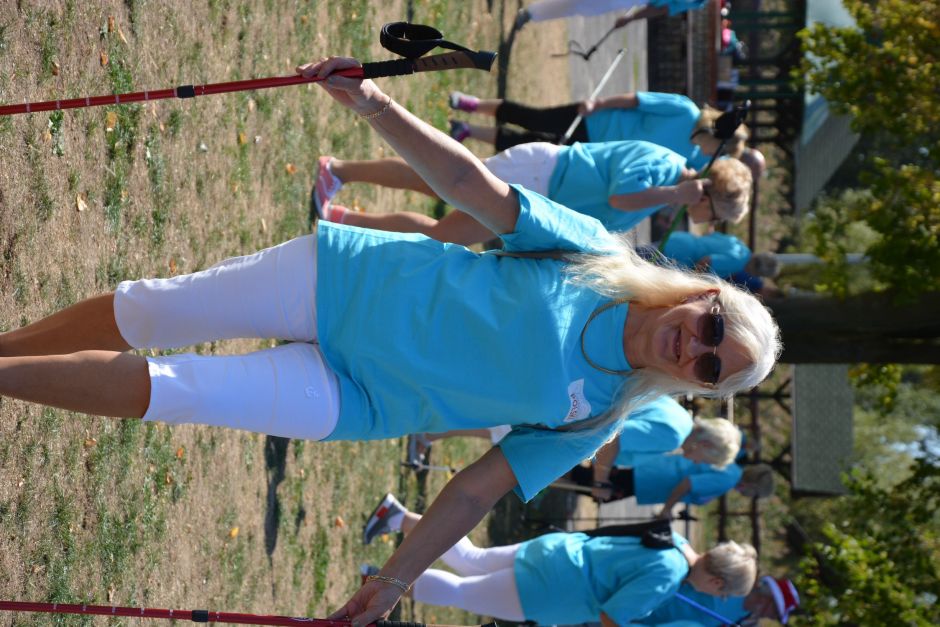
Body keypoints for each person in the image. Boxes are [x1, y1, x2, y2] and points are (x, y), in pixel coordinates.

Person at [0, 56, 780, 625]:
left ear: (701, 388)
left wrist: (400, 577)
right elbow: (474, 188)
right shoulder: (598, 256)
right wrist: (373, 102)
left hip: (358, 400)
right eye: (714, 329)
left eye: (712, 369)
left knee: (179, 391)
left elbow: (474, 489)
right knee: (151, 312)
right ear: (708, 296)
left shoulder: (600, 415)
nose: (697, 349)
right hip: (351, 281)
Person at [361, 494, 757, 625]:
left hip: (557, 552)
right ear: (717, 583)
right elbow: (612, 617)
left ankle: (395, 516)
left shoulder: (675, 542)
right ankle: (375, 586)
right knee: (462, 593)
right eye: (722, 594)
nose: (717, 598)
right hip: (554, 590)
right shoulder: (668, 578)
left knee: (472, 558)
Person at [313, 140, 752, 245]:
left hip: (534, 200)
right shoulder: (663, 167)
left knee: (446, 235)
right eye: (717, 215)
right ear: (706, 195)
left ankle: (342, 217)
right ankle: (336, 171)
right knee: (433, 181)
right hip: (539, 175)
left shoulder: (668, 188)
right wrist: (673, 194)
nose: (710, 223)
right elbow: (620, 198)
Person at [447, 90, 747, 169]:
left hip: (596, 152)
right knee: (535, 119)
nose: (715, 156)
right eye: (720, 151)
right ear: (717, 135)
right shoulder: (685, 110)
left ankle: (467, 130)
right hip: (596, 121)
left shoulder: (688, 156)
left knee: (530, 145)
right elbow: (636, 100)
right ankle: (473, 105)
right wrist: (599, 104)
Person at [634, 575, 801, 625]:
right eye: (775, 613)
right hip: (648, 597)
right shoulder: (734, 581)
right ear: (767, 599)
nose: (770, 617)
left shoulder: (744, 619)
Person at [514, 0, 709, 32]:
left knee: (580, 6)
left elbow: (661, 9)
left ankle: (531, 13)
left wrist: (630, 19)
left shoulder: (697, 2)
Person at [660, 231, 781, 280]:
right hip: (677, 256)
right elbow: (706, 261)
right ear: (757, 272)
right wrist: (691, 280)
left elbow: (710, 234)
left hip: (680, 239)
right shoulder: (738, 262)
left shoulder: (740, 245)